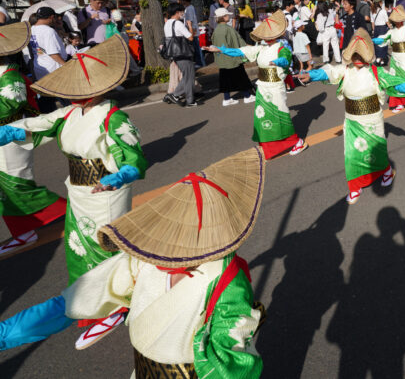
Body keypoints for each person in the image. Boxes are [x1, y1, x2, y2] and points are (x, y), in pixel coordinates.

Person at [0, 148, 266, 378]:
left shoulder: (226, 277)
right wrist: (4, 334)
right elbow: (75, 300)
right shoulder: (145, 259)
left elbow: (231, 361)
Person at [0, 36, 147, 348]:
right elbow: (38, 123)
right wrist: (9, 131)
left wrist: (120, 176)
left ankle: (119, 304)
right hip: (79, 191)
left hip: (105, 194)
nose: (75, 98)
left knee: (103, 248)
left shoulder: (113, 117)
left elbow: (134, 159)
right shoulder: (68, 114)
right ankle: (95, 306)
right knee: (79, 249)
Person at [300, 29, 405, 205]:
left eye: (361, 55)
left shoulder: (377, 72)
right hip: (352, 121)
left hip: (372, 121)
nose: (358, 59)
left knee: (376, 151)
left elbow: (397, 83)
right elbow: (328, 72)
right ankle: (355, 187)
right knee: (351, 155)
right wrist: (311, 75)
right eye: (355, 55)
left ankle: (386, 172)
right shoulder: (345, 70)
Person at [0, 22, 67, 255]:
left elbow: (10, 105)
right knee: (7, 186)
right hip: (5, 136)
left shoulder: (10, 76)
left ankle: (27, 231)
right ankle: (25, 229)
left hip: (10, 136)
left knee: (15, 184)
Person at [205, 10, 307, 159]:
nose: (267, 38)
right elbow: (240, 52)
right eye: (265, 36)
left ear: (276, 35)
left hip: (276, 86)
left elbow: (286, 60)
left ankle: (297, 141)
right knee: (264, 118)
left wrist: (277, 62)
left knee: (281, 116)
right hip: (263, 87)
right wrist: (220, 49)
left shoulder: (282, 48)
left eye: (269, 36)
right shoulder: (261, 48)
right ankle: (269, 148)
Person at [211, 7, 255, 107]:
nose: (229, 17)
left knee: (225, 79)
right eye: (227, 15)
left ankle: (227, 98)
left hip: (222, 60)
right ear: (222, 17)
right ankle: (247, 96)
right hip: (232, 57)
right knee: (241, 77)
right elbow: (239, 42)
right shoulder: (228, 29)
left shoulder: (216, 30)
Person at [162, 2, 198, 108]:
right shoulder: (178, 23)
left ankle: (175, 95)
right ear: (177, 12)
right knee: (189, 77)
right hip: (183, 53)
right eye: (182, 11)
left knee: (187, 76)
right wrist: (190, 26)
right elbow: (190, 37)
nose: (183, 13)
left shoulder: (167, 23)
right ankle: (187, 100)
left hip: (175, 54)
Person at [178, 0, 205, 68]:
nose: (180, 2)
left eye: (181, 0)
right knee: (195, 48)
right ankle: (199, 62)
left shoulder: (190, 8)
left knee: (196, 48)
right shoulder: (187, 8)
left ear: (184, 0)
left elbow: (190, 21)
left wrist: (192, 33)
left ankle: (200, 63)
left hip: (192, 32)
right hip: (190, 31)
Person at [370, 0, 389, 65]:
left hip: (376, 29)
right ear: (379, 3)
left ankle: (378, 58)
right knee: (383, 43)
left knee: (377, 44)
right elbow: (387, 22)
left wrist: (374, 30)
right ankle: (382, 60)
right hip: (382, 28)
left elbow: (372, 22)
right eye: (381, 2)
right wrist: (391, 27)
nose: (382, 3)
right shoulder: (383, 11)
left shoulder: (372, 11)